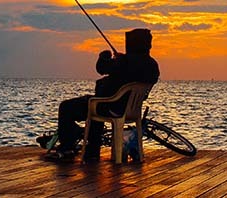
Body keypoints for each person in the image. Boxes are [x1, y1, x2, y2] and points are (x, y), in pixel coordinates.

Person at [45, 28, 160, 162]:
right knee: (97, 102)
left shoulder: (125, 62)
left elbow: (101, 68)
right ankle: (90, 150)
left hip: (111, 106)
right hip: (129, 110)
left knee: (66, 107)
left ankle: (68, 147)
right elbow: (132, 68)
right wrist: (122, 59)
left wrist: (104, 55)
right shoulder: (152, 65)